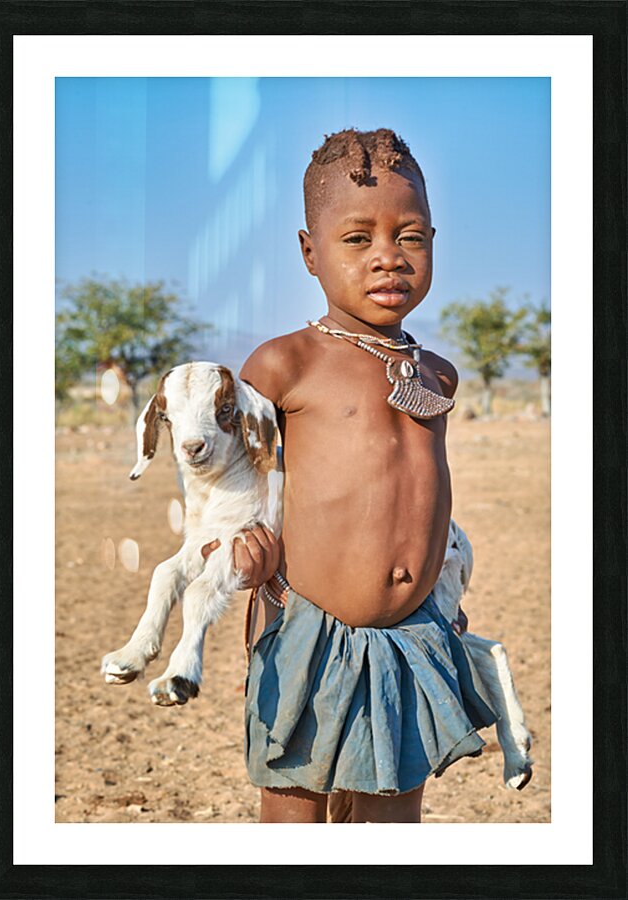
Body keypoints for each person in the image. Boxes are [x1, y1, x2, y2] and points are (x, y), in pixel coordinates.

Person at [205, 128, 496, 823]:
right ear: (310, 252)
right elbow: (231, 487)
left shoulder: (437, 375)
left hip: (416, 630)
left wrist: (443, 583)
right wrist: (235, 548)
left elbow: (427, 490)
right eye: (357, 239)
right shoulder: (285, 365)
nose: (388, 258)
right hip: (309, 625)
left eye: (412, 237)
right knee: (296, 811)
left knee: (393, 809)